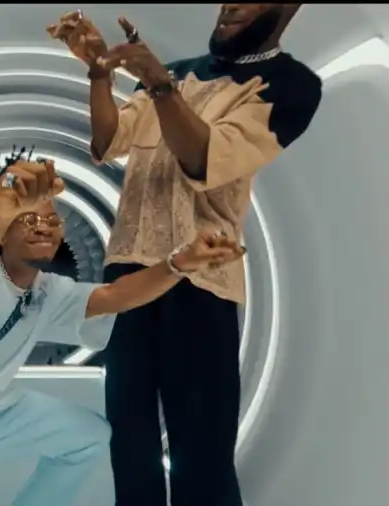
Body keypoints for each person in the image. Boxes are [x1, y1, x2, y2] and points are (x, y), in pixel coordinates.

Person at [48, 5, 322, 506]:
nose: (230, 6)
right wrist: (99, 75)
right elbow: (110, 140)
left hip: (202, 281)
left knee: (201, 448)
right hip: (129, 274)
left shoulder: (289, 85)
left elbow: (205, 157)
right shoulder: (175, 72)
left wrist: (161, 88)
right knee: (129, 440)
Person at [0, 150, 245, 506]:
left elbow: (115, 295)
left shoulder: (48, 292)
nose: (43, 228)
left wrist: (179, 264)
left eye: (51, 222)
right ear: (3, 234)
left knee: (88, 436)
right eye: (28, 220)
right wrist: (0, 211)